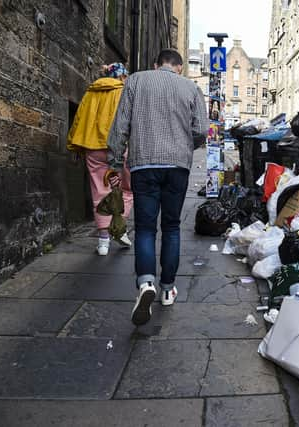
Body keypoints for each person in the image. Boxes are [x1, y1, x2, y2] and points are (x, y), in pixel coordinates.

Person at [106, 49, 208, 325]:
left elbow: (120, 126)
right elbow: (201, 129)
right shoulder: (190, 87)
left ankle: (146, 283)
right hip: (177, 167)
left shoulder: (136, 81)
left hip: (143, 165)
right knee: (172, 227)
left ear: (155, 64)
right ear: (179, 67)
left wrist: (115, 161)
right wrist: (187, 146)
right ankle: (167, 289)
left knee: (146, 228)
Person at [67, 63, 133, 256]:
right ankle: (119, 228)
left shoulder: (92, 91)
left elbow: (79, 119)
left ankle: (103, 241)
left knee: (100, 192)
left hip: (93, 146)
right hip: (120, 147)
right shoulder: (125, 92)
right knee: (127, 189)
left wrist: (74, 145)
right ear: (122, 76)